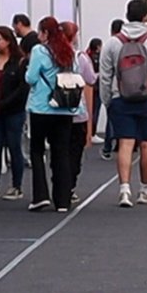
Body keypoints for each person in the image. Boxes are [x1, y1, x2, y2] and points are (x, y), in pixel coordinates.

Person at [100, 0, 147, 207]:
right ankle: (145, 189)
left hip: (120, 97)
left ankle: (124, 189)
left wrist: (107, 100)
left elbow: (105, 75)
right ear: (146, 16)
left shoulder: (113, 42)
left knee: (125, 142)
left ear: (126, 15)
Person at [24, 17, 78, 213]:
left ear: (45, 33)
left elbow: (30, 78)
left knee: (37, 150)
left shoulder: (39, 51)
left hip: (42, 107)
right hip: (64, 107)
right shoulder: (69, 51)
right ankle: (63, 199)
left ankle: (40, 196)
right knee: (61, 152)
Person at [0, 26, 27, 201]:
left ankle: (16, 186)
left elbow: (22, 89)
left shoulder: (20, 62)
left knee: (14, 147)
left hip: (14, 111)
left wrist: (4, 103)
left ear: (8, 41)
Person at [62, 21, 97, 202]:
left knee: (60, 151)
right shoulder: (80, 58)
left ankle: (60, 185)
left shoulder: (51, 56)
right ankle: (70, 186)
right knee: (75, 152)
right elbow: (91, 79)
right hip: (77, 111)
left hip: (56, 110)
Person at [100, 19, 125, 160]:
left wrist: (105, 98)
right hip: (133, 89)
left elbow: (105, 75)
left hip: (115, 90)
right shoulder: (133, 42)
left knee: (111, 120)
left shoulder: (110, 45)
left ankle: (107, 147)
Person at [87, 38, 104, 144]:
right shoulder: (97, 58)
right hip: (96, 87)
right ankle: (92, 133)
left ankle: (90, 132)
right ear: (98, 47)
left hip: (90, 87)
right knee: (95, 111)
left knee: (91, 110)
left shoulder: (87, 56)